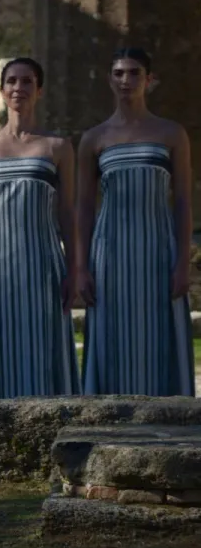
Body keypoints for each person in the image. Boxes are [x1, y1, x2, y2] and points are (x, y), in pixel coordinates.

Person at [74, 47, 194, 396]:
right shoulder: (94, 138)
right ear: (109, 80)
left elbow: (183, 201)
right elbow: (84, 207)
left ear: (149, 79)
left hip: (158, 249)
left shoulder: (171, 133)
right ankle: (110, 415)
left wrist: (183, 263)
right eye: (119, 73)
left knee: (160, 332)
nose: (126, 80)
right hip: (109, 252)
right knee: (112, 334)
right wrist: (81, 267)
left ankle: (168, 415)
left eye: (134, 73)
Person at [0, 58, 79, 397]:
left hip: (45, 264)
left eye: (27, 81)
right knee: (1, 346)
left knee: (45, 345)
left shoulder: (57, 147)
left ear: (39, 90)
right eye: (12, 81)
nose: (19, 88)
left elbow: (67, 213)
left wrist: (73, 270)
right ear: (2, 91)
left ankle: (52, 420)